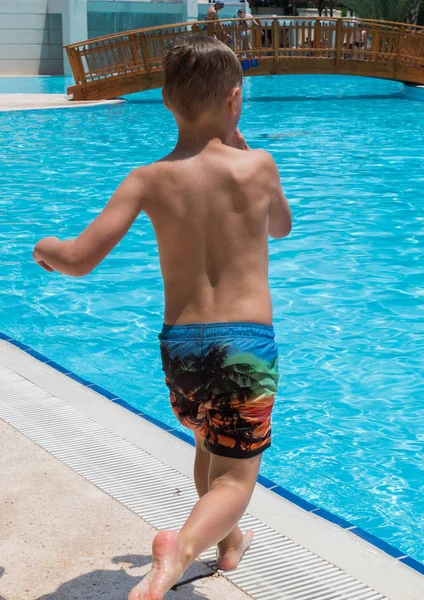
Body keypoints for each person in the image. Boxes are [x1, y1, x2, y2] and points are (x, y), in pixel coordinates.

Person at [33, 35, 292, 600]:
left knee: (207, 442)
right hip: (245, 345)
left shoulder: (147, 178)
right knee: (236, 477)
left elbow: (78, 260)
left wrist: (47, 247)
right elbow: (280, 228)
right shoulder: (259, 167)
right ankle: (181, 548)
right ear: (234, 99)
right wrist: (248, 154)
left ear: (167, 102)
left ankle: (230, 542)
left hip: (181, 349)